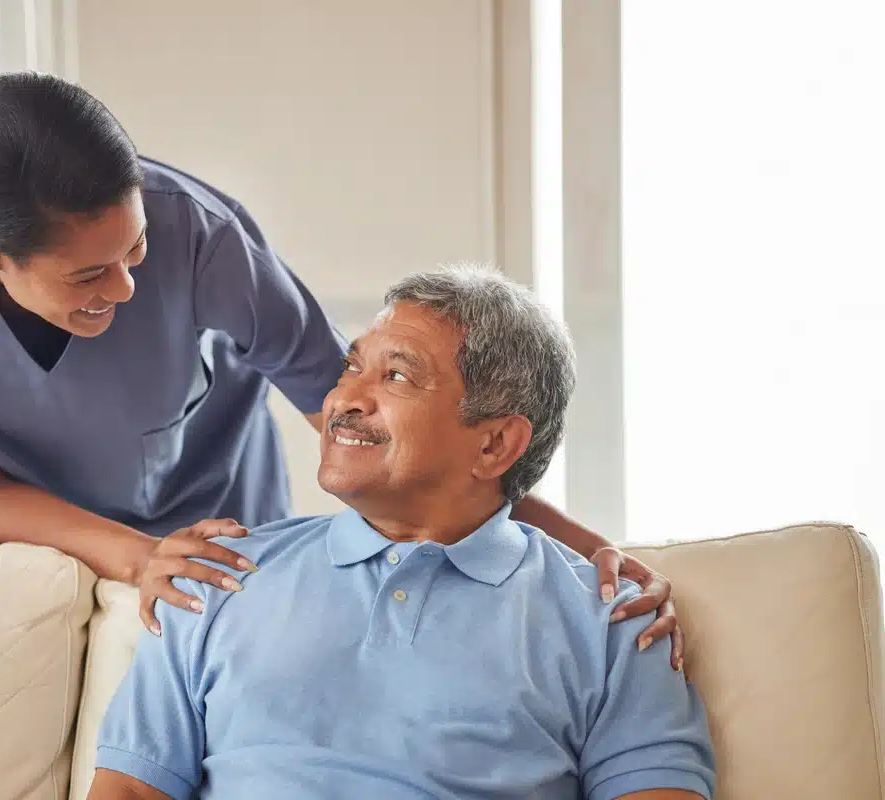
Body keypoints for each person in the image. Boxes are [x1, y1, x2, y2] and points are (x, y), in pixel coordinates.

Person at [0, 71, 681, 667]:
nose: (126, 285)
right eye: (88, 274)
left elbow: (391, 440)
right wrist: (135, 556)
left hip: (208, 541)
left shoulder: (199, 231)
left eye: (136, 250)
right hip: (12, 543)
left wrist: (594, 551)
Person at [91, 265, 715, 800]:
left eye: (396, 377)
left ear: (495, 443)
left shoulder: (615, 620)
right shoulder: (214, 574)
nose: (342, 399)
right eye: (351, 366)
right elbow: (128, 788)